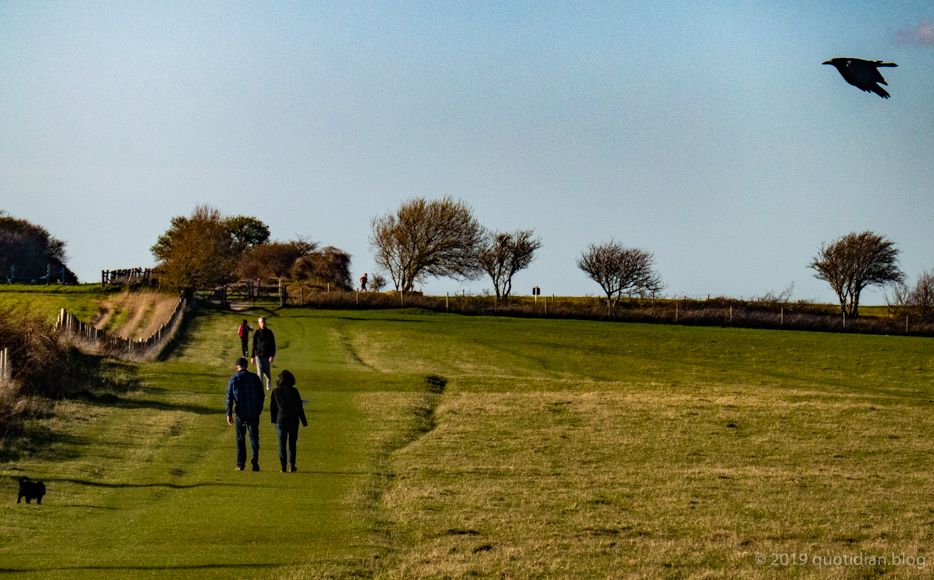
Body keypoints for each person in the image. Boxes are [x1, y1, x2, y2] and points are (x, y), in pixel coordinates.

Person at [226, 357, 265, 471]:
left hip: (240, 413)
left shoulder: (233, 379)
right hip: (253, 412)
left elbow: (229, 397)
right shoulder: (255, 377)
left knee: (240, 439)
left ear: (236, 367)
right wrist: (259, 408)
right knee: (254, 438)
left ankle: (241, 464)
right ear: (247, 366)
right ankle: (255, 458)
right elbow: (261, 395)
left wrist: (229, 413)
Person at [269, 370, 308, 473]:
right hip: (293, 420)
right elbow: (299, 407)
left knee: (282, 443)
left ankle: (283, 466)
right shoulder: (294, 391)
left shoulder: (275, 391)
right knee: (292, 444)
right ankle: (292, 465)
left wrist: (274, 420)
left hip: (281, 420)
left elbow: (273, 407)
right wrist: (304, 421)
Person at [251, 316, 276, 391]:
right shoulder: (257, 333)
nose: (263, 323)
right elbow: (254, 345)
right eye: (261, 322)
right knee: (260, 372)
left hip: (267, 355)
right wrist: (252, 356)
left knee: (267, 371)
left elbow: (273, 345)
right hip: (258, 355)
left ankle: (269, 381)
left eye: (264, 322)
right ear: (259, 323)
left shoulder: (269, 333)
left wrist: (272, 355)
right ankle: (260, 387)